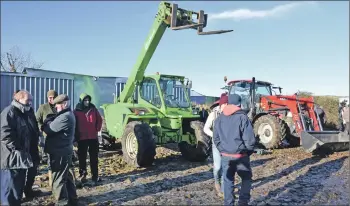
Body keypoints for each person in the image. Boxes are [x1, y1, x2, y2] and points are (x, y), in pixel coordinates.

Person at [213, 94, 256, 206]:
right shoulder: (243, 117)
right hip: (241, 156)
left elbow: (216, 139)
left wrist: (222, 150)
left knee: (228, 181)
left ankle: (228, 203)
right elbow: (250, 140)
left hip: (226, 156)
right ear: (239, 104)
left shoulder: (218, 119)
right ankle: (242, 202)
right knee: (246, 178)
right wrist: (247, 152)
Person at [0, 90, 41, 205]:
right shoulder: (9, 113)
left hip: (23, 156)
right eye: (28, 100)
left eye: (31, 100)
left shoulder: (27, 112)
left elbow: (33, 130)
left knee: (18, 185)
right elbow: (5, 135)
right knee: (10, 186)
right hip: (12, 157)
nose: (30, 103)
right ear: (18, 99)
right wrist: (19, 148)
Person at [42, 94, 78, 205]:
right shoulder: (66, 114)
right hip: (62, 150)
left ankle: (62, 202)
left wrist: (46, 123)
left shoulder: (65, 116)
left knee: (58, 179)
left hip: (60, 152)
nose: (55, 108)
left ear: (65, 104)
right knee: (66, 177)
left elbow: (49, 129)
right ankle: (72, 199)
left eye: (57, 106)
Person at [73, 93, 103, 186]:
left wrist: (97, 129)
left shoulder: (93, 109)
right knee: (82, 158)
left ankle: (95, 175)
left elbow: (99, 120)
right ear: (81, 101)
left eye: (88, 100)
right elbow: (74, 124)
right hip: (82, 138)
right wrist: (75, 137)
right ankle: (83, 175)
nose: (87, 102)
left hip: (93, 137)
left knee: (94, 158)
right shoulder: (76, 111)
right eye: (85, 100)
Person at [204, 93, 228, 197]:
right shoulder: (214, 114)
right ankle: (216, 180)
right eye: (225, 104)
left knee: (225, 166)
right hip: (216, 143)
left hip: (227, 143)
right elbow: (206, 128)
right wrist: (214, 135)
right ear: (221, 104)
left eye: (228, 103)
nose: (227, 106)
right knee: (218, 167)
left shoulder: (230, 113)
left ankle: (223, 189)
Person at [36, 89, 58, 188]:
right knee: (49, 157)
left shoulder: (59, 106)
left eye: (53, 97)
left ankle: (57, 177)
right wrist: (42, 128)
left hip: (58, 136)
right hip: (47, 135)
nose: (52, 99)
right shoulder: (43, 107)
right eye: (50, 98)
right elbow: (37, 119)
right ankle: (51, 179)